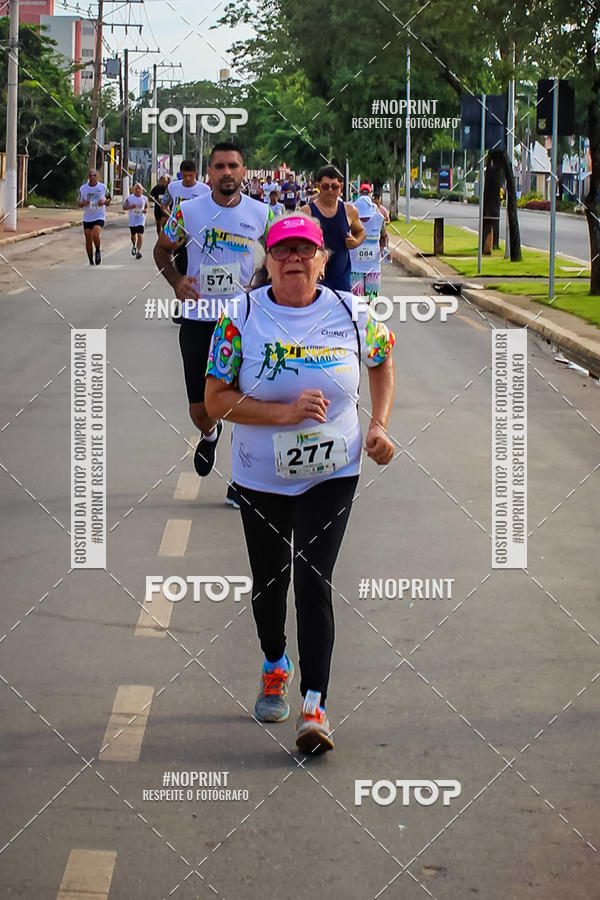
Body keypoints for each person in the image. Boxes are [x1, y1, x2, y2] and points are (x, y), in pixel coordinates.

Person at [204, 212, 396, 754]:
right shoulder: (240, 316)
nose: (294, 259)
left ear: (322, 259)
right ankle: (274, 662)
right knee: (270, 581)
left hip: (333, 470)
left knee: (314, 578)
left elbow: (382, 361)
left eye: (304, 251)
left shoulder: (353, 311)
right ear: (267, 259)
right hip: (260, 472)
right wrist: (282, 414)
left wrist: (378, 424)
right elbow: (216, 398)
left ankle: (315, 706)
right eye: (283, 250)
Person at [153, 142, 271, 504]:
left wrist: (263, 281)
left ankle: (242, 481)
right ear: (209, 173)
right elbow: (162, 250)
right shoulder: (188, 212)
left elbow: (275, 257)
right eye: (219, 166)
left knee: (244, 402)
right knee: (200, 409)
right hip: (199, 319)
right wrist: (177, 281)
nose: (226, 172)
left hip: (244, 322)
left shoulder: (263, 213)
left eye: (233, 165)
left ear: (243, 171)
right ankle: (209, 434)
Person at [299, 165, 365, 291]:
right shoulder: (306, 213)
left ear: (341, 186)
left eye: (334, 186)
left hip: (342, 279)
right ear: (318, 186)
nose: (330, 190)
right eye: (325, 186)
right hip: (315, 278)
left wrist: (356, 241)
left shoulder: (349, 211)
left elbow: (361, 231)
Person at [165, 160, 210, 277]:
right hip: (179, 232)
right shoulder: (172, 187)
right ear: (180, 174)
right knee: (181, 264)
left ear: (196, 173)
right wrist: (171, 216)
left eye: (191, 175)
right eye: (185, 176)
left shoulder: (205, 190)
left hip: (198, 232)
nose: (188, 178)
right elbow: (164, 204)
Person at [349, 199, 385, 299]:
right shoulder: (349, 219)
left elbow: (384, 236)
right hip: (355, 268)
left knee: (372, 300)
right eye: (362, 217)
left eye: (367, 217)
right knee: (356, 300)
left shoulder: (379, 219)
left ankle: (370, 315)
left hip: (373, 268)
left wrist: (383, 248)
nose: (364, 219)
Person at [77, 169, 111, 265]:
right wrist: (84, 203)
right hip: (87, 217)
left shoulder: (103, 187)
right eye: (90, 175)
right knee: (88, 238)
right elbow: (78, 203)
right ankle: (90, 260)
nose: (92, 177)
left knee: (95, 234)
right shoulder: (83, 189)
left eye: (94, 175)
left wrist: (103, 202)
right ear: (88, 177)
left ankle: (97, 250)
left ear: (98, 177)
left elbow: (109, 200)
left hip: (99, 216)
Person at [123, 183, 148, 259]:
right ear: (133, 190)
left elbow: (146, 206)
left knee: (140, 235)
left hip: (141, 219)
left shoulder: (144, 198)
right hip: (132, 220)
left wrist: (145, 210)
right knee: (133, 235)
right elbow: (124, 207)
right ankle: (134, 245)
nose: (137, 190)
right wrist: (131, 206)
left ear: (142, 191)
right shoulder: (129, 198)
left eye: (139, 189)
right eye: (136, 189)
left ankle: (138, 251)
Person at [372, 192, 390, 257]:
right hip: (373, 229)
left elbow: (388, 220)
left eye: (377, 199)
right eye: (374, 199)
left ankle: (384, 250)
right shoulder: (370, 209)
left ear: (380, 200)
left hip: (381, 229)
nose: (376, 201)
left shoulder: (383, 210)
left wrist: (384, 222)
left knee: (385, 235)